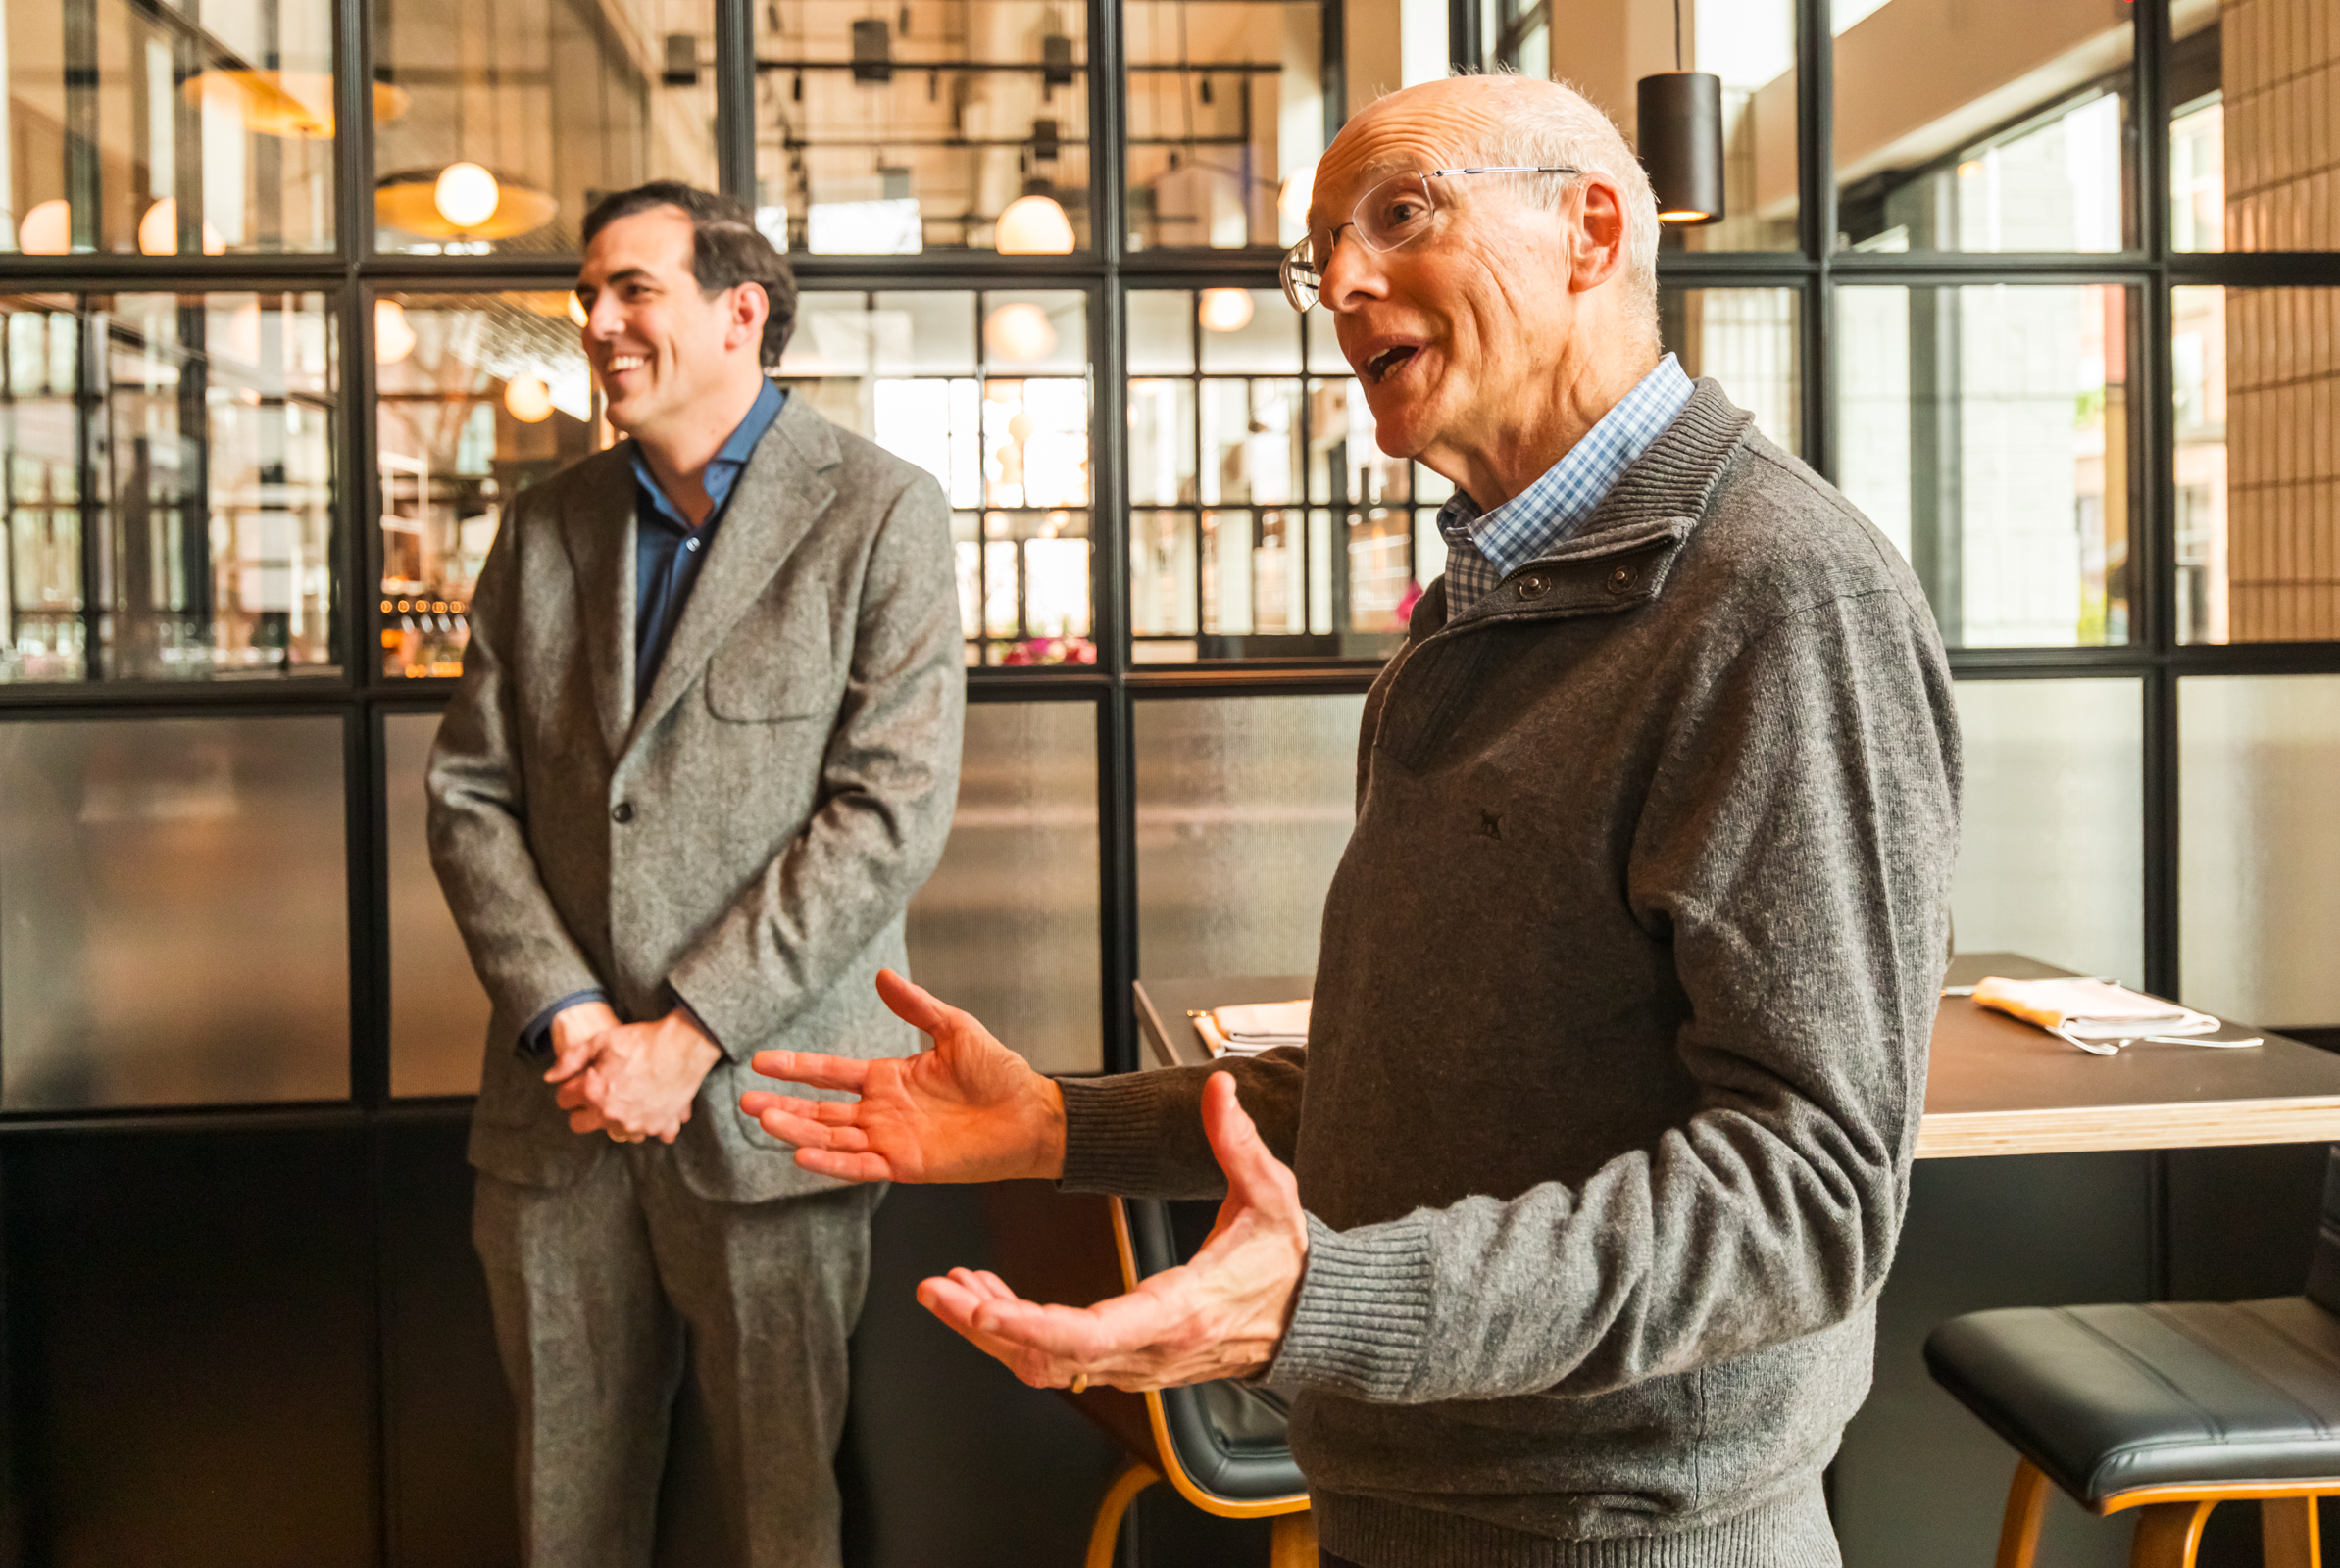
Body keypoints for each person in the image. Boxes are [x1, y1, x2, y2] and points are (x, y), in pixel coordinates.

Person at [743, 73, 1962, 1568]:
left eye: (1400, 215)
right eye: (1316, 248)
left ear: (1590, 231)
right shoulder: (1485, 601)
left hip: (1619, 1530)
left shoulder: (1776, 596)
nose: (1337, 282)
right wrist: (1061, 1126)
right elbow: (1425, 1087)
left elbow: (1809, 1194)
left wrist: (1322, 1299)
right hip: (1412, 1496)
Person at [426, 180, 965, 1568]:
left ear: (743, 312)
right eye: (588, 296)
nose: (597, 323)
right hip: (559, 1113)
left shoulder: (881, 514)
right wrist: (575, 1015)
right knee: (568, 1513)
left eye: (632, 290)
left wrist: (690, 1034)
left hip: (773, 1112)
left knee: (784, 1517)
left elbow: (885, 813)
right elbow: (469, 796)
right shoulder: (544, 527)